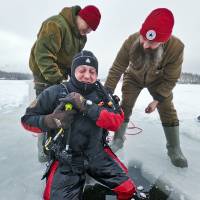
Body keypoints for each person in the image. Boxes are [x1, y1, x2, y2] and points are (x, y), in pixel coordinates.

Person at [21, 50, 136, 200]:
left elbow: (116, 122)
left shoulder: (103, 95)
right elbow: (27, 120)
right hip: (66, 160)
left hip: (97, 155)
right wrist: (52, 120)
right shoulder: (55, 92)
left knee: (128, 189)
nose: (87, 75)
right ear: (72, 71)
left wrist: (87, 106)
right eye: (82, 70)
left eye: (92, 71)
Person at [104, 8, 188, 168]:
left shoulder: (176, 48)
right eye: (144, 38)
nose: (146, 45)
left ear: (164, 40)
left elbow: (171, 78)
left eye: (152, 43)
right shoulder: (131, 40)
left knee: (167, 108)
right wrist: (106, 92)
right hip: (133, 77)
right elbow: (117, 68)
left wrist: (157, 100)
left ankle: (174, 149)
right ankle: (118, 140)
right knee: (125, 106)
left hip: (158, 80)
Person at [29, 5, 101, 162]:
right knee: (46, 111)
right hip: (44, 75)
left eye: (91, 30)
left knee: (64, 111)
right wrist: (60, 82)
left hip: (60, 76)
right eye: (88, 26)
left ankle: (62, 143)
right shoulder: (55, 24)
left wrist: (74, 79)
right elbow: (44, 56)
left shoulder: (81, 37)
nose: (88, 31)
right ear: (80, 17)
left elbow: (73, 62)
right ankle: (44, 152)